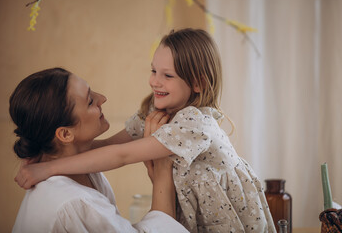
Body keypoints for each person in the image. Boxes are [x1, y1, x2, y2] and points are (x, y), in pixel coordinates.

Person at [15, 29, 276, 233]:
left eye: (167, 75)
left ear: (197, 83)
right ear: (63, 134)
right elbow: (112, 146)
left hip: (223, 218)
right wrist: (47, 150)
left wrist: (49, 168)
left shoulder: (195, 124)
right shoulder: (156, 111)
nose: (154, 81)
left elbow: (122, 155)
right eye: (153, 70)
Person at [10, 68, 188, 233]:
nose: (102, 98)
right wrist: (163, 168)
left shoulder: (78, 168)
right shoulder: (75, 203)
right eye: (89, 101)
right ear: (65, 134)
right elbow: (121, 154)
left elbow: (113, 148)